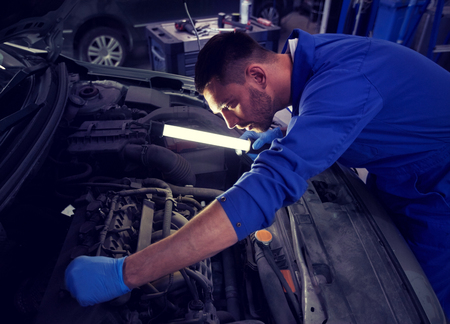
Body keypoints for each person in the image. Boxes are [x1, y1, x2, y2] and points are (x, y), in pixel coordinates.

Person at [65, 29, 450, 318]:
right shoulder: (312, 63)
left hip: (438, 194)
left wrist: (127, 273)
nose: (231, 125)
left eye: (230, 105)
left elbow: (268, 188)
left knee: (424, 305)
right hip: (404, 172)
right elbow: (337, 115)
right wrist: (287, 133)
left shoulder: (346, 82)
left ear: (258, 76)